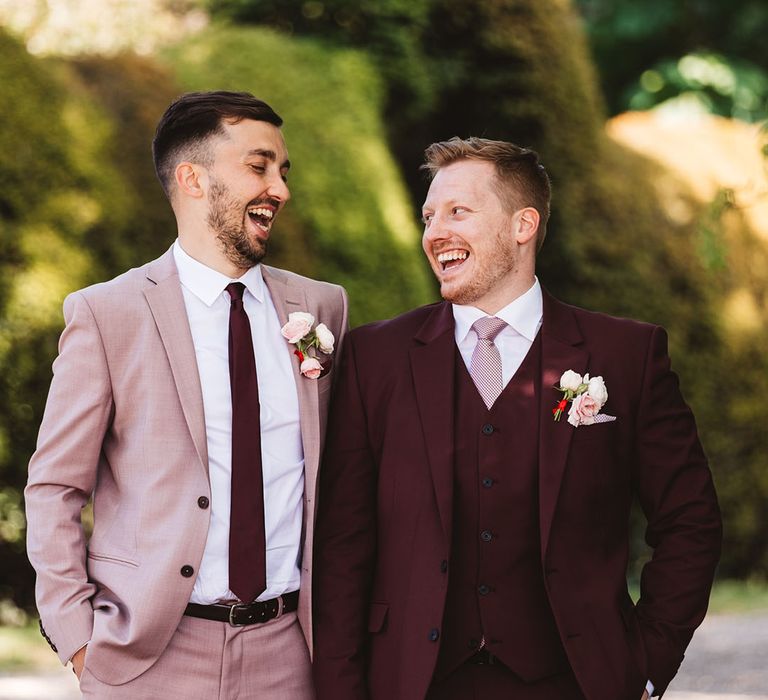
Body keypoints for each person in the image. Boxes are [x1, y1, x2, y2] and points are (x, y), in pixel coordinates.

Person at [312, 137, 721, 700]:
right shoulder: (374, 358)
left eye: (458, 211)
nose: (434, 233)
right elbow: (341, 543)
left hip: (575, 682)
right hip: (413, 683)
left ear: (522, 224)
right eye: (428, 216)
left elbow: (690, 521)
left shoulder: (625, 355)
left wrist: (646, 664)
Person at [25, 90, 348, 699]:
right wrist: (78, 639)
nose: (279, 189)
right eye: (258, 167)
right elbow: (54, 488)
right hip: (150, 657)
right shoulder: (107, 313)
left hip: (291, 653)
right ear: (192, 179)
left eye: (282, 171)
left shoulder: (322, 308)